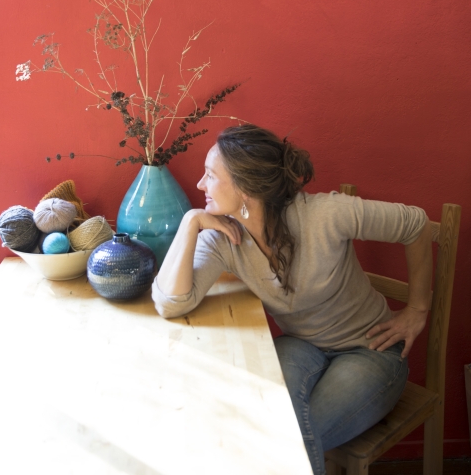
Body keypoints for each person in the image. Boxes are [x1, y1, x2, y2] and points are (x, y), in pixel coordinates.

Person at [151, 124, 432, 475]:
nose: (199, 185)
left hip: (370, 349)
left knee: (289, 435)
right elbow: (171, 302)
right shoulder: (224, 237)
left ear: (245, 186)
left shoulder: (325, 214)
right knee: (254, 418)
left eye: (210, 175)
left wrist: (418, 308)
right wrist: (190, 222)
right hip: (301, 346)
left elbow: (416, 225)